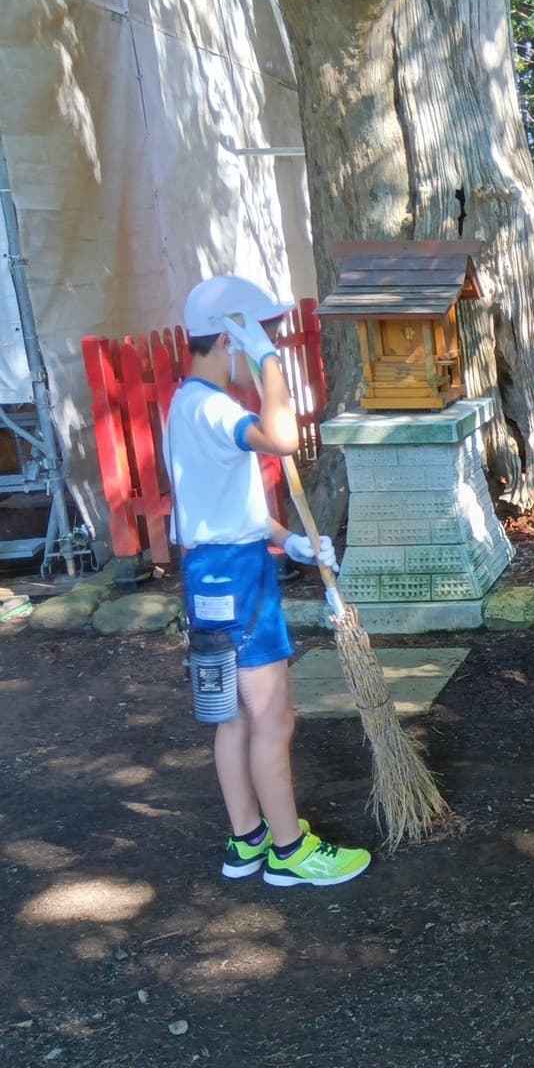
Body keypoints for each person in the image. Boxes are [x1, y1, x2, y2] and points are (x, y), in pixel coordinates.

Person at [165, 274, 371, 887]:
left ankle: (249, 837)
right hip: (238, 577)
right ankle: (289, 851)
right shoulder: (213, 407)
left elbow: (228, 511)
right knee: (273, 718)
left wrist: (289, 540)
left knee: (235, 718)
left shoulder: (185, 404)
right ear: (230, 337)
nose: (269, 342)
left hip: (212, 571)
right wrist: (271, 362)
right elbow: (282, 438)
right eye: (258, 333)